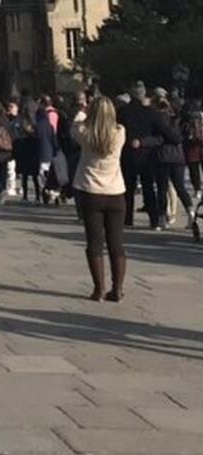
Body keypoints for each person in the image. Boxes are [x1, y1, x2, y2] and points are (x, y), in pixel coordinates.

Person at [72, 96, 128, 302]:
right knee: (116, 243)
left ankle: (99, 289)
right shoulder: (120, 133)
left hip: (91, 192)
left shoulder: (84, 133)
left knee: (94, 242)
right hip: (116, 192)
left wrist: (83, 110)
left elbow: (75, 124)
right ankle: (118, 288)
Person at [118, 84, 169, 228]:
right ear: (143, 95)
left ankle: (127, 219)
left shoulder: (122, 112)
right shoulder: (151, 113)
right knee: (148, 188)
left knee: (128, 188)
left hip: (127, 154)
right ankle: (153, 219)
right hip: (147, 155)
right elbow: (162, 133)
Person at [149, 98, 196, 235]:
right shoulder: (178, 121)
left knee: (162, 189)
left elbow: (158, 139)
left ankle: (162, 218)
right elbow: (180, 138)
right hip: (178, 157)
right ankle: (190, 211)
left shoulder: (157, 121)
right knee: (180, 187)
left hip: (162, 157)